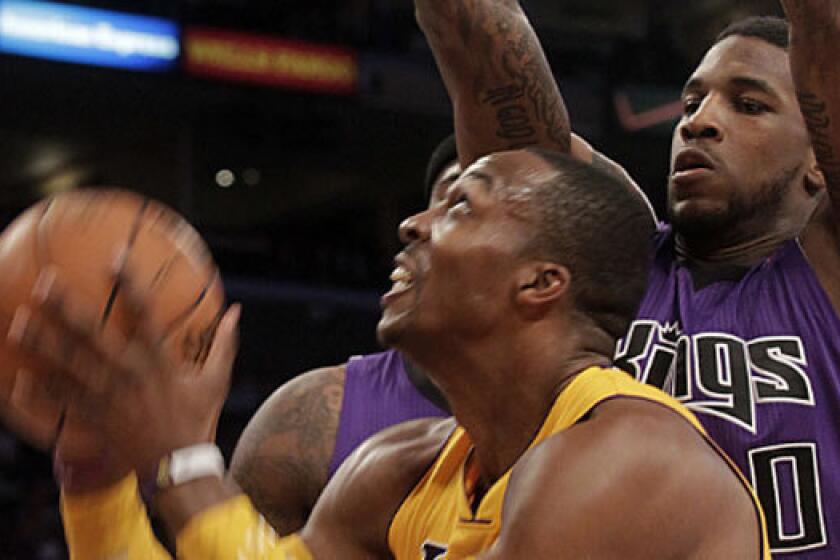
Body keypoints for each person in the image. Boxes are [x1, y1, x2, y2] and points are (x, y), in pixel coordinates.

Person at [14, 149, 768, 558]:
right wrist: (97, 474)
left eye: (461, 205)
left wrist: (184, 465)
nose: (411, 223)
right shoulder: (400, 468)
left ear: (540, 283)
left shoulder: (628, 459)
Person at [227, 136, 459, 535]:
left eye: (460, 206)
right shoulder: (310, 419)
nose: (413, 224)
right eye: (431, 202)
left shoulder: (591, 421)